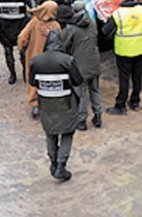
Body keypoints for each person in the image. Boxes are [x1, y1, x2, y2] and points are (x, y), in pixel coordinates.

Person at [29, 29, 83, 181]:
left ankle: (53, 162)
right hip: (66, 104)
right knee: (67, 132)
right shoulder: (67, 60)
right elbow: (78, 80)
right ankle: (61, 166)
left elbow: (32, 82)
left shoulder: (36, 61)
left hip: (46, 104)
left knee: (50, 133)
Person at [103, 0, 142, 115]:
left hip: (124, 50)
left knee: (124, 78)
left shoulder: (118, 14)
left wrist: (108, 20)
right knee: (137, 77)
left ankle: (120, 105)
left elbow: (105, 31)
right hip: (140, 49)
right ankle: (135, 101)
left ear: (123, 0)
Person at [62, 0, 102, 130]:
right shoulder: (93, 23)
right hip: (94, 62)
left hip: (79, 65)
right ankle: (98, 116)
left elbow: (64, 45)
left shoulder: (71, 28)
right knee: (95, 90)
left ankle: (81, 121)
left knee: (81, 94)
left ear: (74, 10)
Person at [18, 0, 61, 119]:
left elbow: (22, 37)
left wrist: (23, 49)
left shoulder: (34, 22)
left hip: (34, 57)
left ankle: (34, 104)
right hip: (51, 60)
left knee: (32, 81)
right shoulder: (56, 26)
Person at [0, 0, 35, 85]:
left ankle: (25, 73)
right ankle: (12, 74)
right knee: (8, 53)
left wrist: (33, 11)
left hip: (19, 26)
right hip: (5, 28)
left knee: (22, 53)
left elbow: (30, 1)